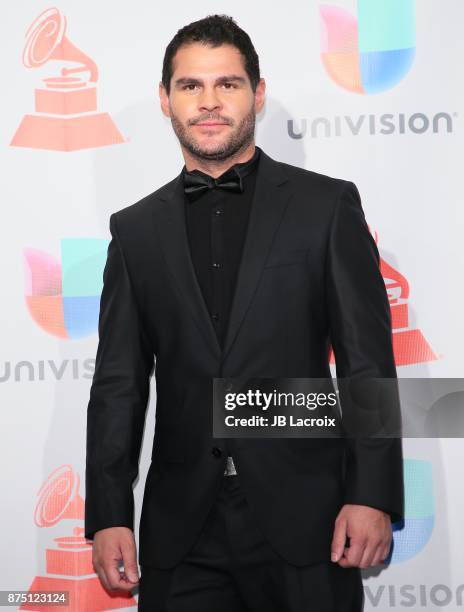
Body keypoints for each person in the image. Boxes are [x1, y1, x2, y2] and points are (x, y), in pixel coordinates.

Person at [84, 14, 404, 612]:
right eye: (190, 86)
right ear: (165, 99)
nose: (209, 103)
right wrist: (107, 513)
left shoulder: (326, 206)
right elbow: (118, 386)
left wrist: (372, 495)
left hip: (310, 522)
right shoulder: (134, 231)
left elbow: (367, 363)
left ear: (257, 93)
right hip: (181, 531)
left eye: (227, 84)